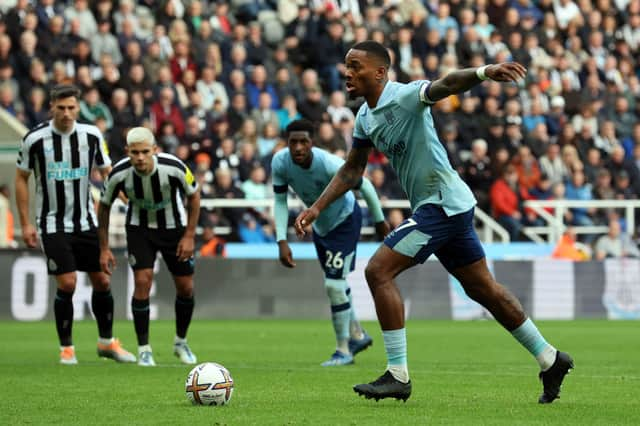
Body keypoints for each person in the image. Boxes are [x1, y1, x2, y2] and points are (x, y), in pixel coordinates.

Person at [294, 41, 573, 403]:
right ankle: (550, 358)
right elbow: (352, 170)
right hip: (448, 206)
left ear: (380, 72)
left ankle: (398, 374)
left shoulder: (405, 96)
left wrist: (484, 72)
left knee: (378, 271)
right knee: (483, 289)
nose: (347, 72)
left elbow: (446, 84)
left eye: (356, 66)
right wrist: (316, 208)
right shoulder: (364, 116)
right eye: (346, 66)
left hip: (441, 204)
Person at [15, 84, 135, 365]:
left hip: (87, 221)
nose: (67, 114)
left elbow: (108, 172)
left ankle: (106, 343)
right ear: (52, 108)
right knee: (67, 283)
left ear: (78, 108)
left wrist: (128, 199)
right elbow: (21, 178)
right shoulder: (35, 139)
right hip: (52, 223)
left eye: (71, 108)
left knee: (103, 280)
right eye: (61, 108)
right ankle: (66, 347)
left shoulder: (91, 135)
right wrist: (25, 223)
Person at [272, 119, 390, 367]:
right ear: (287, 143)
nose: (298, 147)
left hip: (345, 221)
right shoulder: (279, 162)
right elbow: (280, 201)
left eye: (304, 141)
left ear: (312, 142)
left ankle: (343, 350)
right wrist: (281, 240)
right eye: (293, 142)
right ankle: (357, 335)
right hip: (321, 228)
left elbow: (365, 185)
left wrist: (380, 222)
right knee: (337, 284)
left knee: (333, 285)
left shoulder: (328, 164)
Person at [98, 127, 201, 367]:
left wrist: (189, 236)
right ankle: (144, 348)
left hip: (175, 229)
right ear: (128, 152)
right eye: (135, 153)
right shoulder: (118, 174)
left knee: (185, 287)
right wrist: (104, 248)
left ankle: (180, 342)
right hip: (139, 229)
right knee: (142, 282)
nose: (140, 157)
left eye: (145, 152)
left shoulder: (174, 167)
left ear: (155, 150)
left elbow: (194, 196)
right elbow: (103, 206)